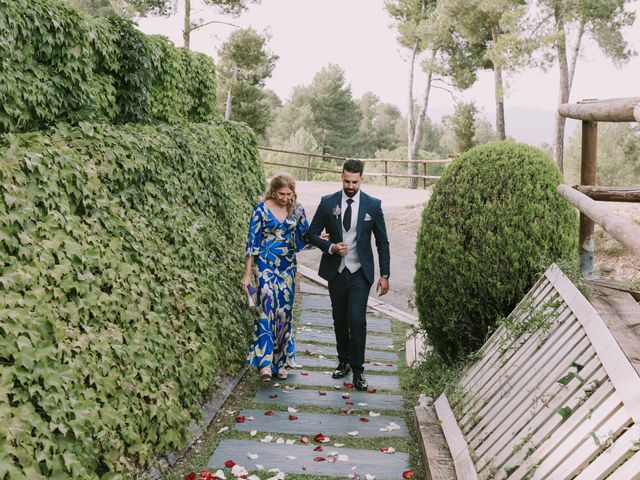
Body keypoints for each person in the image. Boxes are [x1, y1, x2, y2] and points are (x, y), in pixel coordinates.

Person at [305, 159, 390, 391]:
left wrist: (385, 274)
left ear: (362, 178)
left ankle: (359, 372)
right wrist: (330, 247)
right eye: (346, 181)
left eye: (354, 181)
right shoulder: (328, 203)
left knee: (357, 319)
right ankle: (343, 360)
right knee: (340, 319)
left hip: (360, 273)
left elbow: (382, 242)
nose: (350, 185)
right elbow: (310, 234)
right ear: (341, 177)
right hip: (337, 272)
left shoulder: (373, 205)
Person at [242, 172, 309, 381]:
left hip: (287, 266)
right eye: (282, 194)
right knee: (267, 307)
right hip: (265, 265)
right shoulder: (260, 210)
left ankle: (280, 362)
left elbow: (306, 237)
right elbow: (252, 243)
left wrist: (325, 240)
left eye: (289, 194)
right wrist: (247, 275)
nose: (285, 198)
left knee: (283, 312)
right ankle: (264, 363)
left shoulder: (297, 210)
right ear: (273, 191)